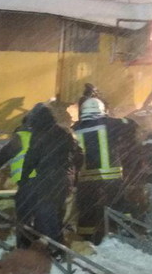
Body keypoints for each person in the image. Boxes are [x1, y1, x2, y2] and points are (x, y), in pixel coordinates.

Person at [72, 98, 137, 243]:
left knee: (87, 207)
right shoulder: (110, 123)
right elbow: (131, 124)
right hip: (110, 174)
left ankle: (86, 237)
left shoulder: (75, 127)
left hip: (86, 177)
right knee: (118, 202)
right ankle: (126, 230)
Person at [18, 103, 82, 248]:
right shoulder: (66, 132)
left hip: (47, 179)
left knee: (46, 213)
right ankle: (55, 243)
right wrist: (73, 174)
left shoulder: (39, 135)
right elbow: (79, 155)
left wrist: (24, 178)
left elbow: (31, 158)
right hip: (65, 179)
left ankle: (55, 247)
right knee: (58, 211)